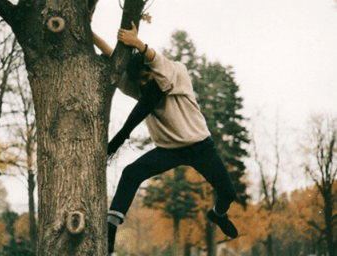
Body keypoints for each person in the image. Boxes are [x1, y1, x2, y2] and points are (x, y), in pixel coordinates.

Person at [94, 21, 239, 254]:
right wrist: (88, 31)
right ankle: (110, 226)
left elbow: (155, 61)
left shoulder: (176, 72)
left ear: (151, 70)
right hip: (168, 150)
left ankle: (217, 214)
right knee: (131, 173)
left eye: (145, 77)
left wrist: (139, 44)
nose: (143, 84)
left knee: (228, 193)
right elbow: (113, 56)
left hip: (201, 146)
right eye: (139, 81)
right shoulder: (141, 89)